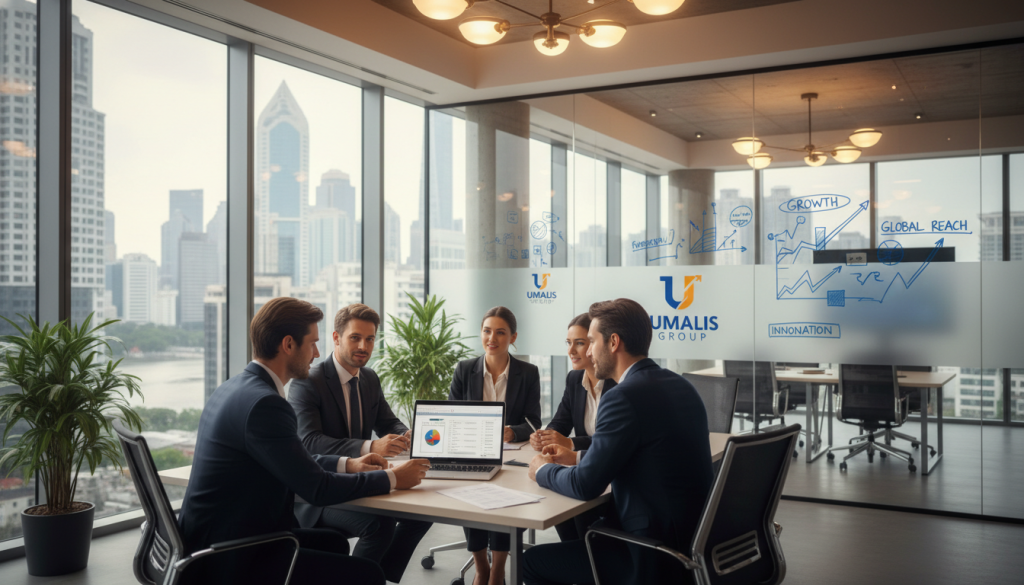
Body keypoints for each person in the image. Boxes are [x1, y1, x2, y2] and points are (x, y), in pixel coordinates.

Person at [178, 297, 431, 585]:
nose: (316, 353)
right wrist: (392, 479)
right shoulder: (266, 404)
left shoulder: (235, 388)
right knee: (369, 575)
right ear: (288, 344)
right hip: (233, 556)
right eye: (312, 343)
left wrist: (349, 464)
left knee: (333, 545)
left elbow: (292, 458)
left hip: (218, 538)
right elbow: (317, 488)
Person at [523, 298, 713, 585]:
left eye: (590, 342)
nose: (587, 351)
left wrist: (540, 470)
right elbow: (645, 455)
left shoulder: (622, 396)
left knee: (529, 563)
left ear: (613, 342)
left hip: (647, 552)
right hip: (694, 544)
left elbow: (585, 485)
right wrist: (577, 457)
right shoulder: (680, 385)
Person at [289, 303, 432, 583]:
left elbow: (388, 421)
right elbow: (309, 442)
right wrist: (370, 447)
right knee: (379, 524)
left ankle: (379, 576)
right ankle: (354, 579)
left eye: (369, 339)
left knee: (423, 512)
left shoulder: (368, 378)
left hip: (361, 481)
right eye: (355, 337)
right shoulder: (308, 381)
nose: (363, 346)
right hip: (319, 493)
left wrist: (406, 434)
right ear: (336, 338)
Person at [449, 306, 541, 585]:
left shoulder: (528, 372)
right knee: (469, 495)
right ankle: (481, 566)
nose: (492, 338)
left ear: (513, 337)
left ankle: (498, 567)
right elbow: (453, 413)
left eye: (500, 332)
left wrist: (512, 432)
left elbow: (533, 421)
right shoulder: (465, 369)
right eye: (487, 331)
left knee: (505, 499)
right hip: (471, 450)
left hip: (509, 456)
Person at [529, 312, 616, 542]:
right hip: (582, 467)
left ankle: (585, 557)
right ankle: (576, 552)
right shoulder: (574, 379)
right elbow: (561, 421)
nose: (571, 351)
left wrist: (570, 443)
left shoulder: (619, 384)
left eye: (580, 343)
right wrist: (544, 436)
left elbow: (608, 440)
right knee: (558, 501)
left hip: (607, 474)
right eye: (569, 343)